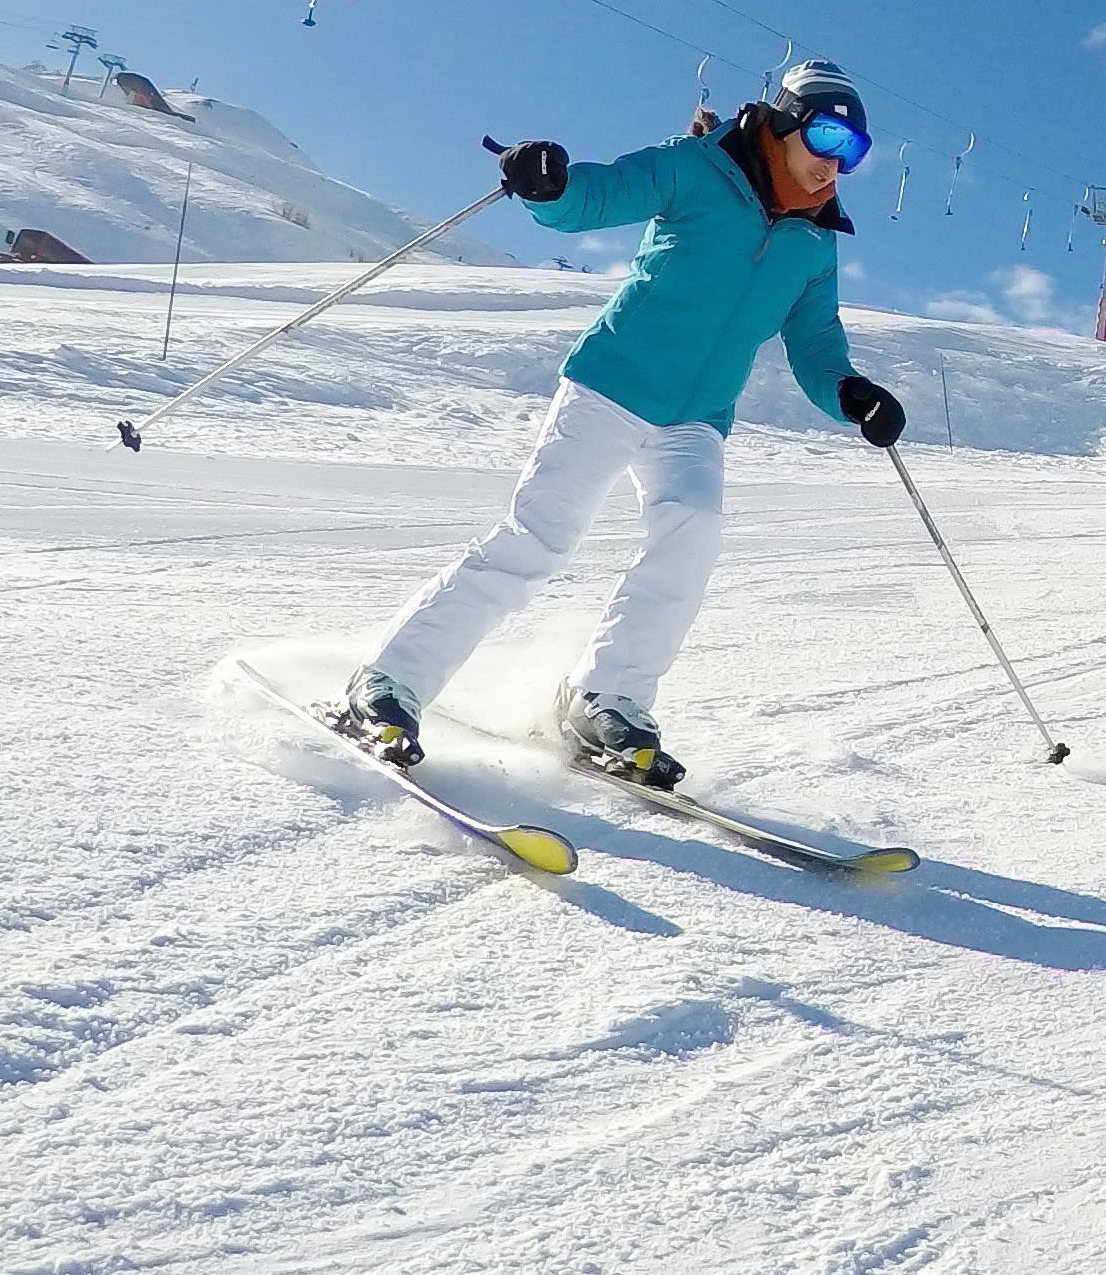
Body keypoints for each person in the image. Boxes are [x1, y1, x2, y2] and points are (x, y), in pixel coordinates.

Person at [334, 59, 907, 786]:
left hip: (696, 417)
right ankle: (387, 683)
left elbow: (816, 342)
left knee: (693, 534)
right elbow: (598, 195)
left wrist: (851, 392)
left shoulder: (814, 243)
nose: (835, 163)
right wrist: (552, 184)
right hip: (613, 383)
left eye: (854, 152)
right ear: (787, 121)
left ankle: (610, 698)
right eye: (827, 136)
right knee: (539, 537)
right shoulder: (696, 168)